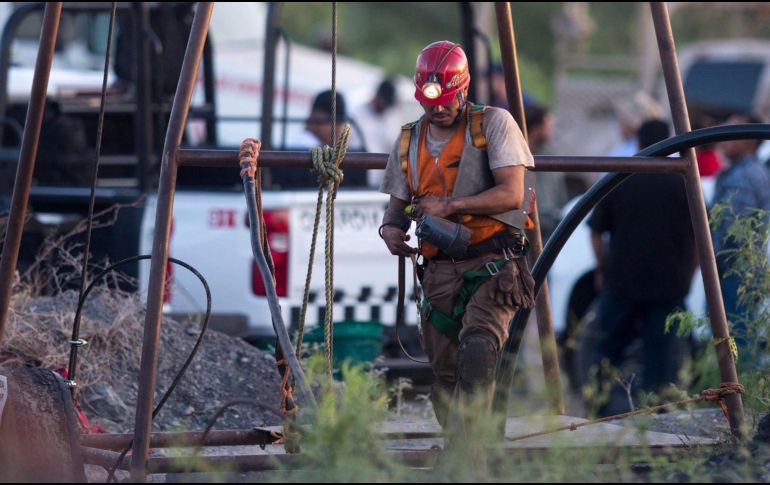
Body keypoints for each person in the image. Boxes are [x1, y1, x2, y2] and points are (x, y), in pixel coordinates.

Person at [377, 41, 535, 426]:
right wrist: (391, 228)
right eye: (430, 102)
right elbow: (397, 206)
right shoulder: (409, 139)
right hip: (439, 273)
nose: (438, 108)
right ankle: (459, 450)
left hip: (492, 264)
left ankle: (473, 452)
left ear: (463, 90)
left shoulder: (493, 124)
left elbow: (512, 194)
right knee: (446, 380)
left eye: (446, 100)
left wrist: (450, 206)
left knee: (479, 351)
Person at [583, 119, 695, 416]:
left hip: (622, 283)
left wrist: (601, 268)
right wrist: (689, 274)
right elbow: (701, 237)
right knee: (661, 361)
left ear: (639, 142)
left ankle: (597, 411)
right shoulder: (684, 183)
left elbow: (595, 231)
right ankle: (656, 420)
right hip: (669, 287)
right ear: (669, 143)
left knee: (607, 351)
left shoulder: (622, 177)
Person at [711, 113, 770, 358]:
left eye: (731, 132)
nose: (723, 139)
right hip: (741, 270)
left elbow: (734, 232)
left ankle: (736, 378)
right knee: (735, 334)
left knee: (735, 336)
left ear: (748, 140)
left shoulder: (743, 176)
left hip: (735, 272)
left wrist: (715, 262)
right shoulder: (749, 171)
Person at [277, 89, 366, 188]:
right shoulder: (298, 142)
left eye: (340, 121)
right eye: (332, 119)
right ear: (314, 115)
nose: (338, 127)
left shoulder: (328, 147)